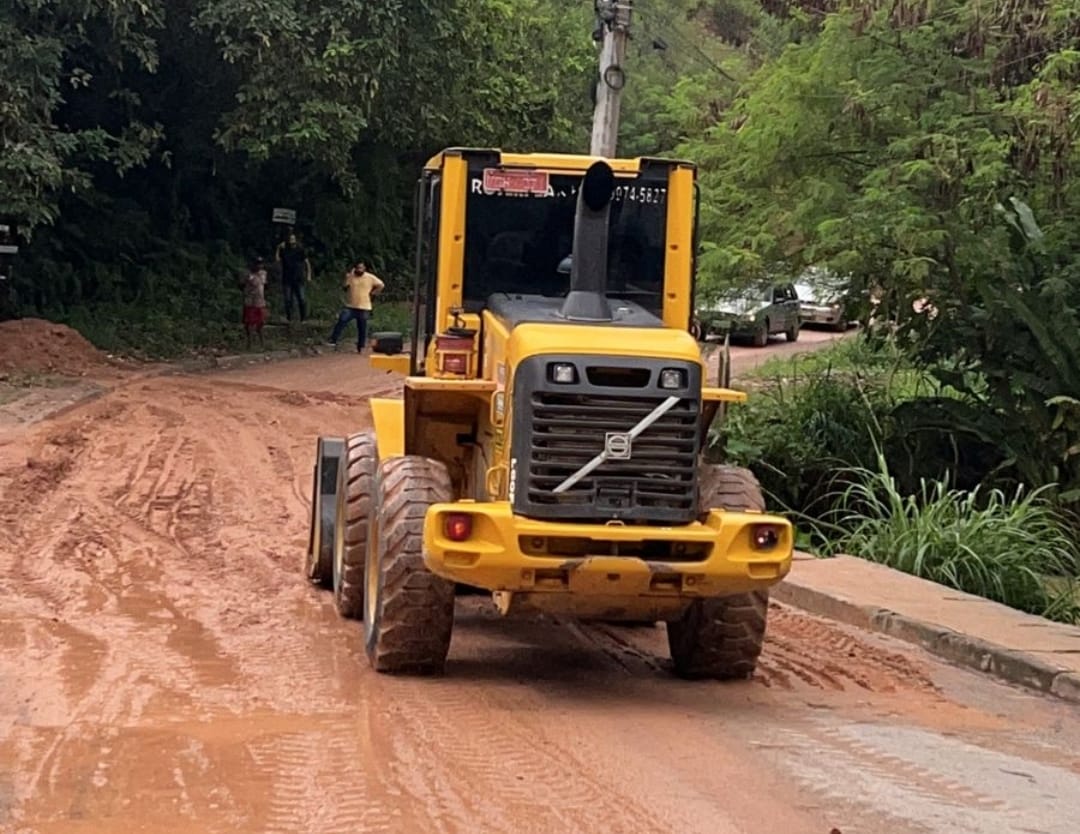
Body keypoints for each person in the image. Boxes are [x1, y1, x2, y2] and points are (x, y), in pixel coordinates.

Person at [327, 260, 385, 353]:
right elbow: (345, 287)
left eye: (361, 268)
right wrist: (347, 277)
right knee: (342, 320)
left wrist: (374, 293)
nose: (359, 270)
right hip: (351, 305)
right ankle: (333, 340)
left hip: (364, 306)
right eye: (358, 268)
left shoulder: (369, 277)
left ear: (364, 268)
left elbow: (381, 284)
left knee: (362, 327)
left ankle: (360, 346)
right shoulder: (351, 276)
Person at [275, 230, 311, 322]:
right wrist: (278, 248)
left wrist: (308, 275)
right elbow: (277, 259)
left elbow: (307, 263)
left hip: (298, 278)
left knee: (301, 298)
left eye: (292, 239)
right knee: (287, 300)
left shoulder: (300, 249)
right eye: (289, 239)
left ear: (295, 240)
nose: (291, 240)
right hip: (287, 278)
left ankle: (304, 318)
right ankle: (289, 318)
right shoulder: (284, 250)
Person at [240, 256, 269, 348]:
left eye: (260, 264)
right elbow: (241, 285)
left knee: (261, 323)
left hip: (260, 302)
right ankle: (250, 343)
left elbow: (265, 285)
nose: (259, 266)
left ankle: (262, 343)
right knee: (249, 323)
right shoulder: (247, 274)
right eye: (257, 264)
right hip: (250, 302)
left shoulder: (263, 274)